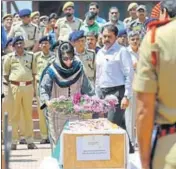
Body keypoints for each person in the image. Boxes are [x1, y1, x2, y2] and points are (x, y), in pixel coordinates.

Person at [133, 0, 176, 168]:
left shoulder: (154, 38)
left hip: (169, 151)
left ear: (163, 12)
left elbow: (144, 110)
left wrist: (145, 160)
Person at [39, 42, 94, 145]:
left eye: (71, 58)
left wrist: (95, 101)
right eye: (65, 59)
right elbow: (43, 88)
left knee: (76, 142)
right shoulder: (52, 70)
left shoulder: (79, 68)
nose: (69, 62)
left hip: (76, 110)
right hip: (57, 112)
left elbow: (88, 88)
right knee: (59, 143)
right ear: (60, 57)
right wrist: (47, 102)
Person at [95, 24, 134, 153]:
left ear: (116, 37)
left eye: (109, 36)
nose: (106, 39)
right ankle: (130, 150)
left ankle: (111, 154)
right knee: (119, 124)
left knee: (111, 124)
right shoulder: (100, 52)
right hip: (103, 92)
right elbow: (98, 75)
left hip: (118, 92)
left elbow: (129, 74)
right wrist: (97, 94)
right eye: (104, 36)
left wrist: (127, 96)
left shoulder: (122, 52)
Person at [3, 36, 37, 150]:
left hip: (28, 86)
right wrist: (14, 83)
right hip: (14, 87)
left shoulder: (31, 56)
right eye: (16, 43)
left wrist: (33, 89)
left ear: (24, 44)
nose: (19, 45)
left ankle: (30, 141)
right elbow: (6, 74)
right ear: (13, 46)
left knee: (28, 115)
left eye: (21, 43)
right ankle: (13, 141)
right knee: (14, 115)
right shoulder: (9, 57)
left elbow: (34, 73)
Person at [35, 36, 56, 144]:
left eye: (47, 43)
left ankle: (53, 134)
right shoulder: (36, 57)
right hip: (40, 86)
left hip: (52, 86)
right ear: (39, 45)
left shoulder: (55, 56)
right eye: (42, 43)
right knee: (42, 110)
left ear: (50, 44)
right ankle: (44, 136)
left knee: (53, 110)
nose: (44, 45)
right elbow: (34, 71)